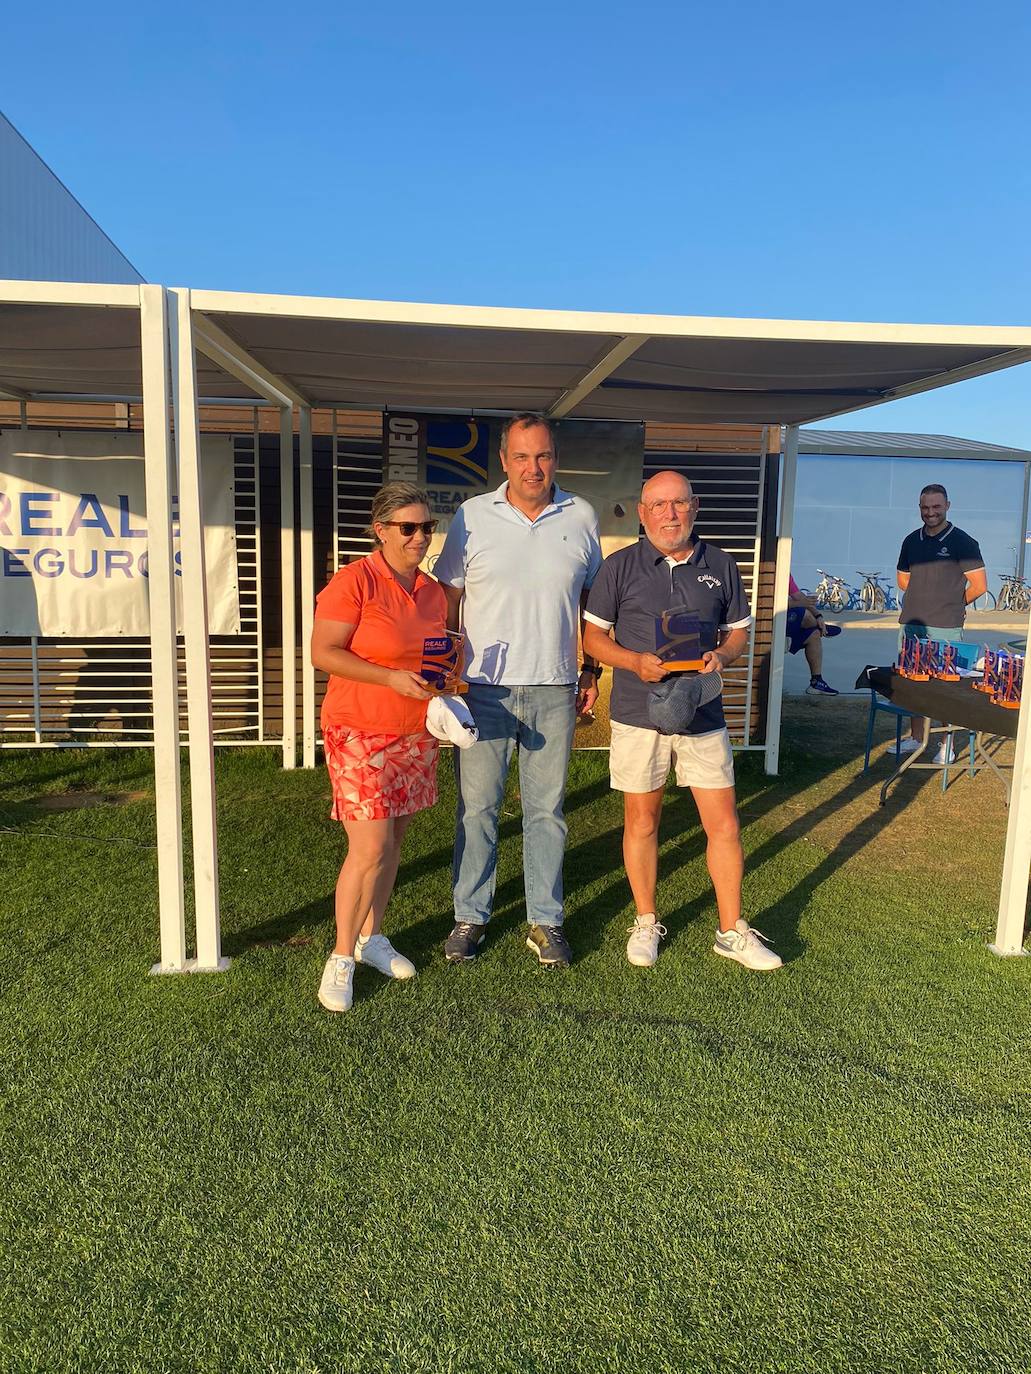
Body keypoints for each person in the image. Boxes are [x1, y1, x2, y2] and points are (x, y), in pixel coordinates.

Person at [582, 470, 782, 973]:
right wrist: (632, 662)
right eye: (658, 505)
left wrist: (722, 656)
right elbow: (592, 638)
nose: (669, 514)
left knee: (724, 824)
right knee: (642, 820)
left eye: (679, 504)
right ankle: (647, 920)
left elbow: (738, 633)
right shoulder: (618, 567)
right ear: (643, 511)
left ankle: (732, 930)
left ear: (694, 507)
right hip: (636, 713)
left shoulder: (722, 565)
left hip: (703, 714)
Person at [433, 413, 602, 968]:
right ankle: (470, 916)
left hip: (554, 685)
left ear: (556, 457)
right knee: (477, 809)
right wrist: (447, 668)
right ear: (504, 461)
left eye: (544, 455)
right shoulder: (472, 515)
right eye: (522, 457)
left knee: (546, 810)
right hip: (483, 688)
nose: (535, 467)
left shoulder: (581, 516)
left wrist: (590, 671)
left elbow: (589, 604)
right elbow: (450, 596)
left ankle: (545, 921)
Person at [310, 482, 446, 1012]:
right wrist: (389, 679)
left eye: (426, 527)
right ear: (381, 530)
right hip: (358, 730)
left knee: (392, 844)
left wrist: (445, 679)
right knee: (367, 848)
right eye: (408, 527)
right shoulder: (354, 581)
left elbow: (435, 656)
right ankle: (342, 955)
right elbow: (323, 652)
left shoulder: (433, 591)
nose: (419, 537)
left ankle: (372, 938)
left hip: (415, 731)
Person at [896, 483, 986, 763]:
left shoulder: (964, 542)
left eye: (936, 507)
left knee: (946, 688)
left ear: (947, 506)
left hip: (946, 626)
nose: (930, 512)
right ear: (919, 508)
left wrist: (952, 603)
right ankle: (915, 738)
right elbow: (903, 579)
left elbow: (979, 586)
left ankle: (946, 746)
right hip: (911, 625)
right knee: (912, 684)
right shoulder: (911, 541)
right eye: (925, 507)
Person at [787, 574, 841, 695]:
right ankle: (823, 629)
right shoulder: (769, 571)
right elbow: (773, 603)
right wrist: (798, 603)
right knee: (803, 613)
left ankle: (817, 683)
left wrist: (818, 615)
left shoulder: (785, 573)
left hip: (788, 624)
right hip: (771, 622)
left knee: (814, 634)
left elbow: (799, 597)